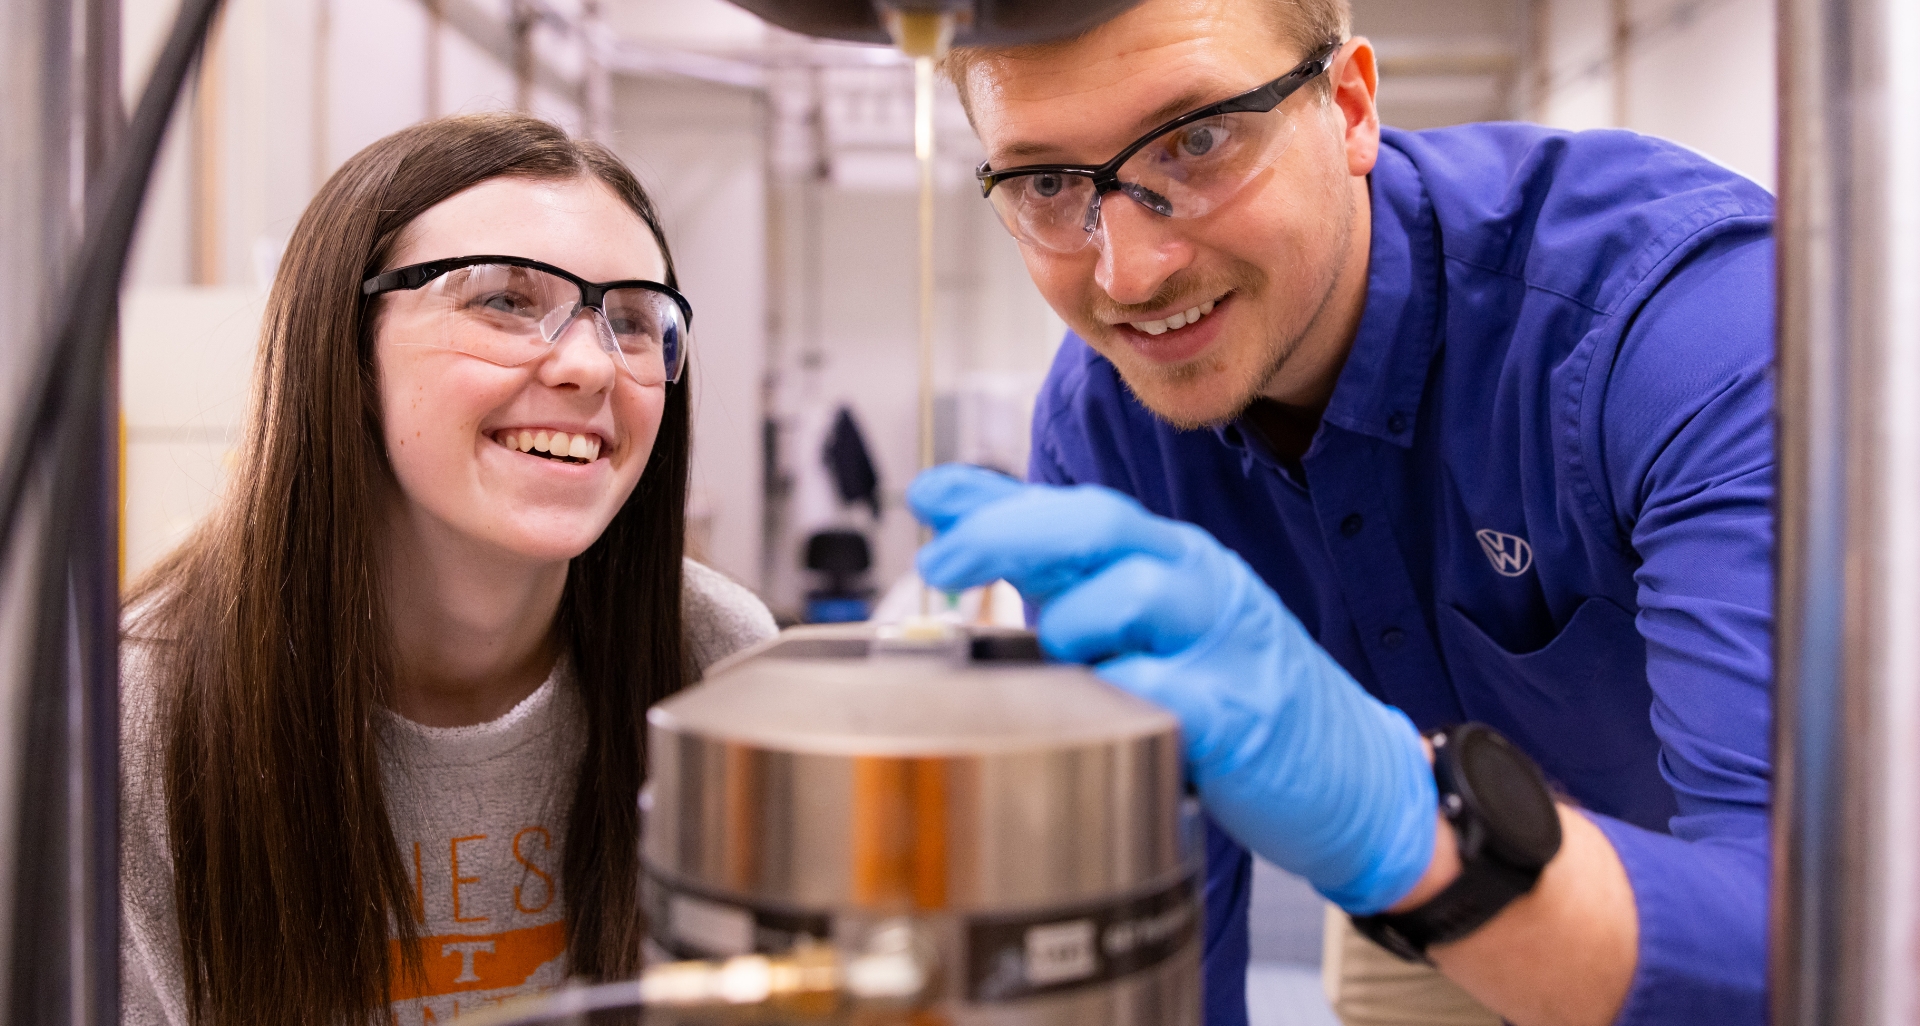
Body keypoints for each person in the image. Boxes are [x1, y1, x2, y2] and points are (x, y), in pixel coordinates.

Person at [910, 1, 1773, 1025]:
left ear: (1352, 106)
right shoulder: (1105, 426)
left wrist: (1401, 821)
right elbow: (1169, 922)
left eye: (1197, 140)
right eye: (1049, 183)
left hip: (1693, 892)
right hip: (1417, 917)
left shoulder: (1683, 327)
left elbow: (1808, 942)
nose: (1130, 273)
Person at [120, 112, 776, 1026]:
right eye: (505, 301)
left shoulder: (719, 663)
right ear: (342, 346)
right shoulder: (137, 717)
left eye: (632, 319)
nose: (591, 364)